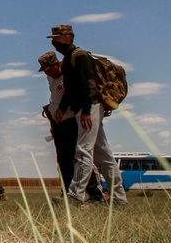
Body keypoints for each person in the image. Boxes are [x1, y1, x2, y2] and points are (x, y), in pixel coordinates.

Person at [48, 25, 127, 207]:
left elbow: (88, 84)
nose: (54, 42)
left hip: (89, 107)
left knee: (83, 150)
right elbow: (70, 88)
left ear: (69, 37)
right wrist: (62, 108)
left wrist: (85, 111)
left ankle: (75, 196)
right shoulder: (68, 60)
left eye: (57, 38)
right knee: (104, 155)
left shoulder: (81, 56)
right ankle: (120, 199)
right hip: (82, 109)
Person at [39, 51, 106, 202]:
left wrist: (63, 110)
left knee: (80, 158)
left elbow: (71, 95)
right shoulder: (51, 78)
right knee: (63, 161)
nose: (47, 73)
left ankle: (97, 195)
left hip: (72, 121)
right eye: (44, 71)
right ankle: (68, 193)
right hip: (58, 124)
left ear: (57, 64)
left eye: (49, 69)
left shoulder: (69, 76)